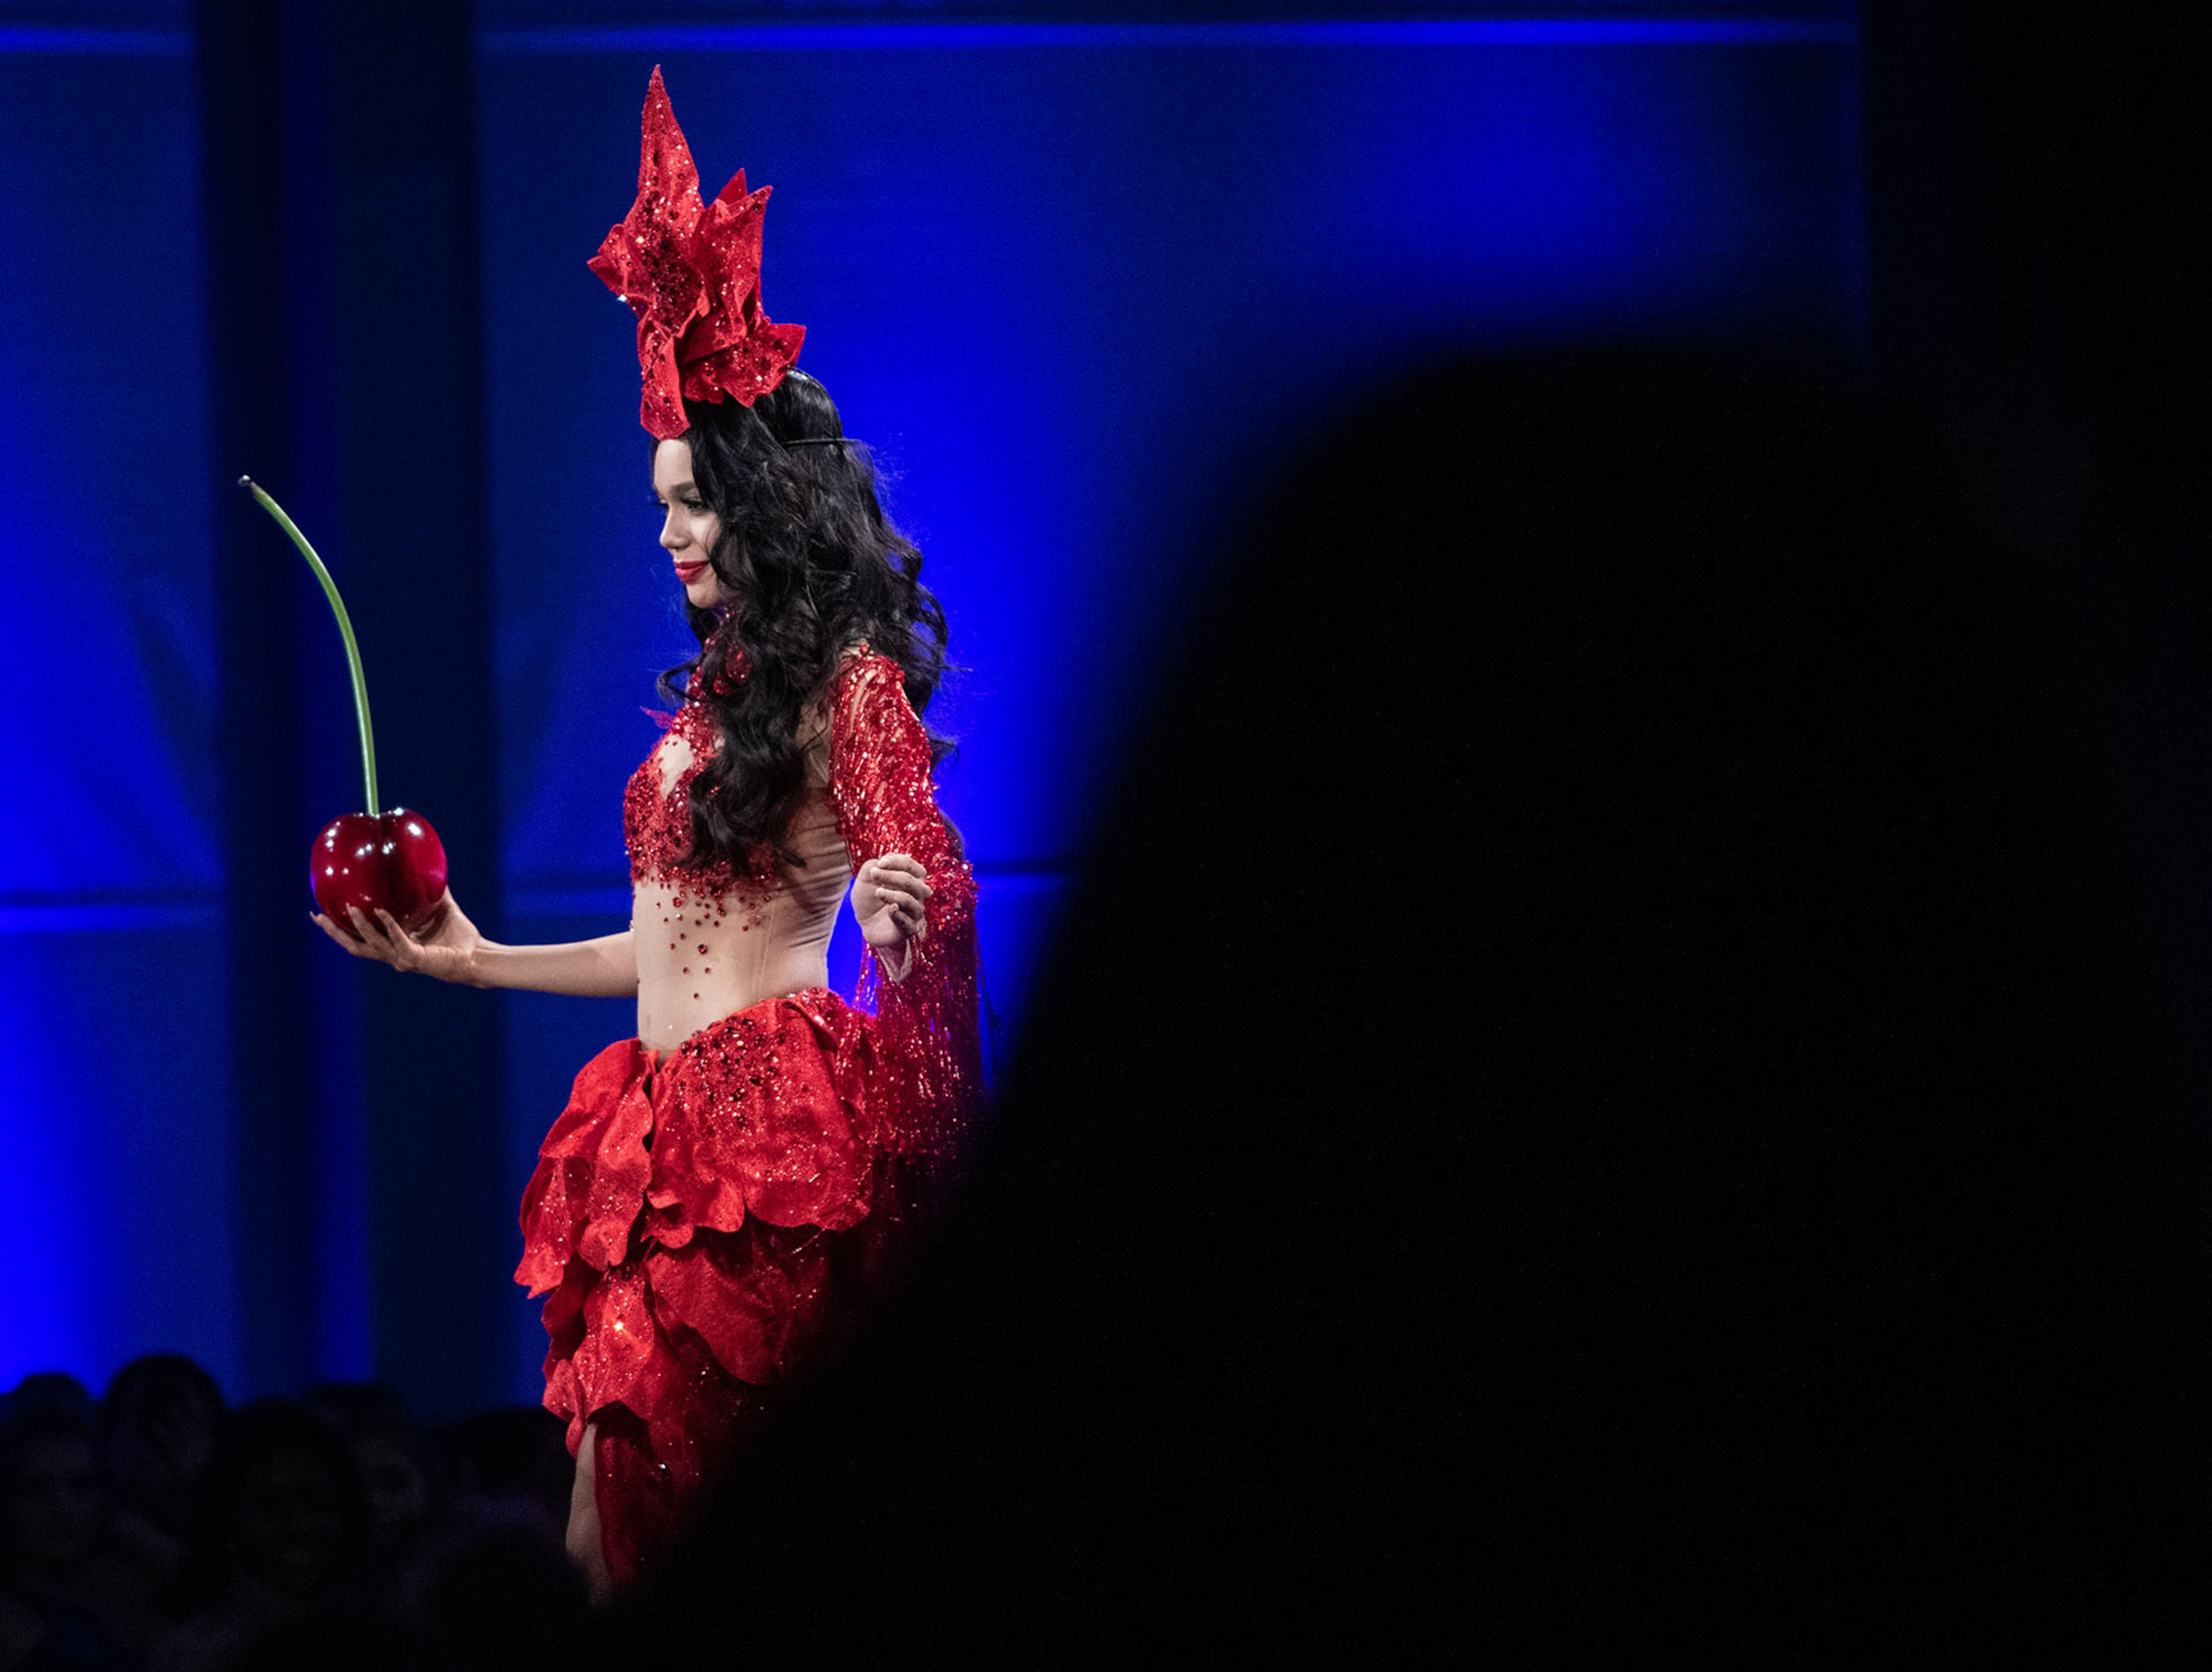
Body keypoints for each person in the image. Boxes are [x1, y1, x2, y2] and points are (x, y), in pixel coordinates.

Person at [313, 67, 981, 1598]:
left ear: (765, 506)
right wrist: (473, 962)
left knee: (656, 1536)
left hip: (771, 1143)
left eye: (692, 500)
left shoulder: (846, 684)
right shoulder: (710, 701)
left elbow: (922, 873)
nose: (669, 531)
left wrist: (906, 923)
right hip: (655, 1130)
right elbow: (666, 942)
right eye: (661, 500)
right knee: (609, 1529)